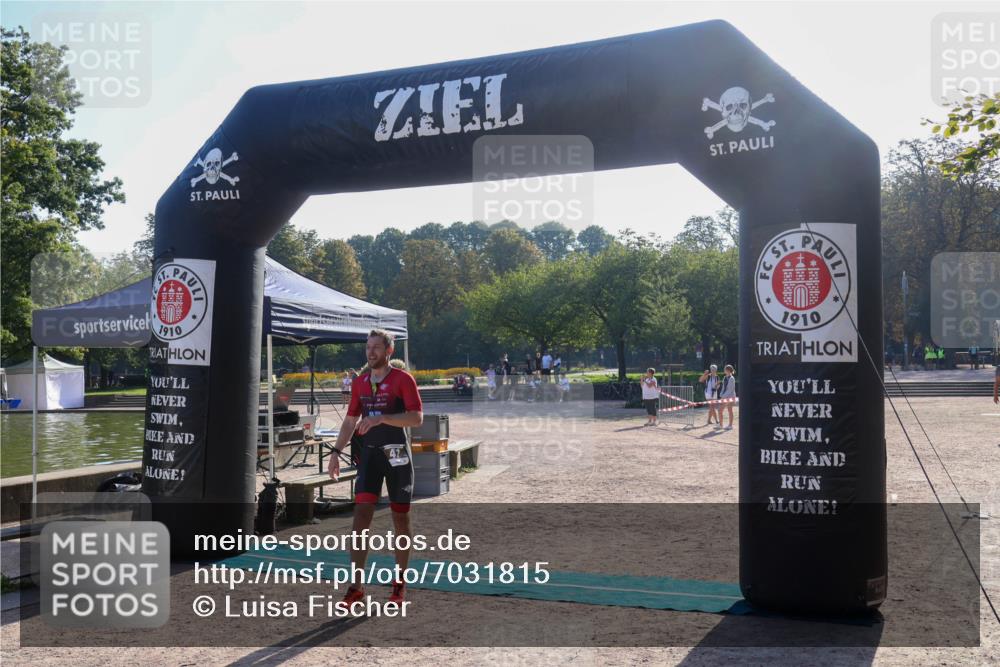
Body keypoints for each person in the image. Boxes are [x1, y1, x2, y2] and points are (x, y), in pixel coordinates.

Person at [328, 329, 423, 607]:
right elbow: (350, 420)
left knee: (400, 519)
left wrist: (382, 418)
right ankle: (356, 587)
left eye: (376, 347)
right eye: (368, 347)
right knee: (360, 518)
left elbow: (416, 418)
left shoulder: (402, 379)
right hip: (370, 455)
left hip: (396, 454)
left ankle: (399, 583)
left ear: (389, 351)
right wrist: (336, 452)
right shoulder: (360, 382)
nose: (371, 352)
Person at [718, 364, 737, 429]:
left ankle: (730, 425)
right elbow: (723, 387)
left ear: (728, 370)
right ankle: (721, 425)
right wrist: (721, 395)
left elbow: (730, 390)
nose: (724, 370)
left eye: (725, 369)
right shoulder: (725, 377)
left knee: (723, 410)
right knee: (725, 410)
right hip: (725, 396)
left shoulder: (732, 378)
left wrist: (723, 397)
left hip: (730, 397)